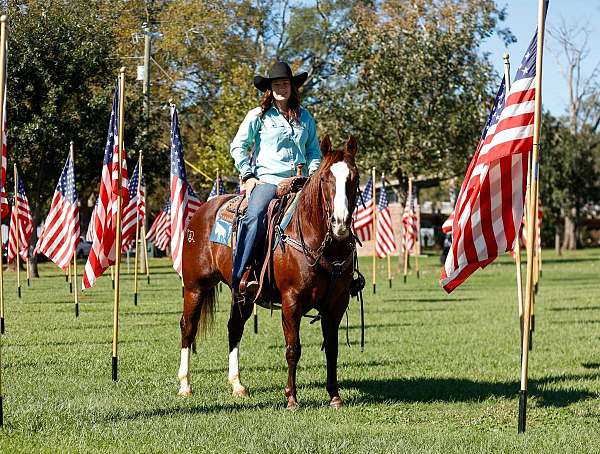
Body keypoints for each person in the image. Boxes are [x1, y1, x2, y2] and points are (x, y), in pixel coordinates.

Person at [229, 61, 322, 295]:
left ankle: (340, 272)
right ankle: (244, 272)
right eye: (277, 84)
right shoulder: (258, 116)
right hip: (268, 181)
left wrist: (313, 173)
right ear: (269, 89)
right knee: (256, 214)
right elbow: (238, 147)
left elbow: (313, 152)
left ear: (292, 87)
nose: (282, 87)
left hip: (302, 183)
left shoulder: (305, 117)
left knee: (331, 211)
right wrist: (248, 175)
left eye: (286, 83)